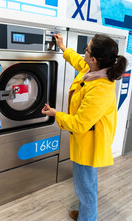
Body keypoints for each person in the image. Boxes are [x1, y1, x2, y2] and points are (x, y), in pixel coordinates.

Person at [42, 33, 127, 221]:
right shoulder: (94, 70)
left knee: (85, 185)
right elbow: (78, 63)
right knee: (87, 182)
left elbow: (79, 124)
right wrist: (63, 47)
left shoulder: (101, 89)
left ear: (94, 59)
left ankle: (87, 218)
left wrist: (56, 114)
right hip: (85, 138)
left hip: (90, 144)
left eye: (86, 50)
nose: (84, 54)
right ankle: (86, 213)